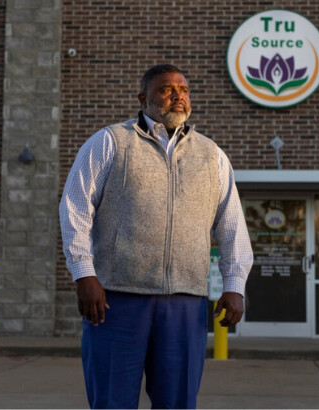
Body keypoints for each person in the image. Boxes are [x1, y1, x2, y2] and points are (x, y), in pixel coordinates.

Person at [59, 64, 253, 409]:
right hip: (116, 300)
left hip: (185, 302)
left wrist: (234, 285)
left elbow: (232, 223)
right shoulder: (110, 143)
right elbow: (74, 207)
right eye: (167, 89)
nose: (178, 96)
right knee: (111, 401)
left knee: (177, 402)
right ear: (143, 98)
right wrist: (84, 274)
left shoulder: (212, 155)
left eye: (184, 89)